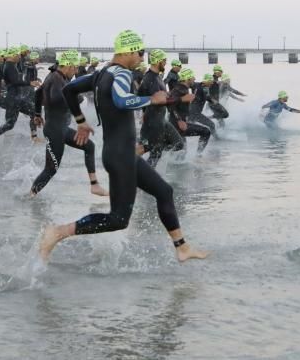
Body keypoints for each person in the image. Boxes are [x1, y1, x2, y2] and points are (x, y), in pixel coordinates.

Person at [39, 30, 208, 264]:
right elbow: (121, 100)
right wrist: (151, 99)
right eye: (140, 52)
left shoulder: (101, 74)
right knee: (118, 219)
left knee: (164, 192)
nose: (141, 57)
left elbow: (69, 90)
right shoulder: (121, 74)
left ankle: (182, 247)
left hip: (120, 153)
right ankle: (58, 233)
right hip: (120, 156)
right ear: (128, 51)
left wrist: (80, 122)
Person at [29, 50, 107, 197]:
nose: (76, 70)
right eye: (75, 67)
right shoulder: (57, 79)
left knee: (89, 146)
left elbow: (38, 93)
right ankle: (31, 195)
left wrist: (38, 114)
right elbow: (58, 98)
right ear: (69, 65)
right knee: (51, 169)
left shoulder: (56, 77)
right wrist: (76, 99)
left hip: (60, 128)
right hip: (55, 130)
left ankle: (94, 185)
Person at [138, 49, 191, 166]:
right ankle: (143, 177)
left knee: (179, 144)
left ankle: (149, 147)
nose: (166, 63)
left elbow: (143, 96)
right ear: (158, 61)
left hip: (161, 119)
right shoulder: (150, 79)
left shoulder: (157, 77)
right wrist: (182, 99)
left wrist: (143, 112)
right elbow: (158, 100)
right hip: (154, 121)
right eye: (164, 61)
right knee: (155, 155)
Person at [166, 69, 211, 156]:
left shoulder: (183, 88)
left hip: (178, 124)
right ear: (187, 78)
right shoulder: (179, 89)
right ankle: (198, 155)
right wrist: (179, 120)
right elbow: (170, 105)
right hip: (177, 125)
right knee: (206, 132)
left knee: (180, 150)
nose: (194, 79)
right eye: (192, 77)